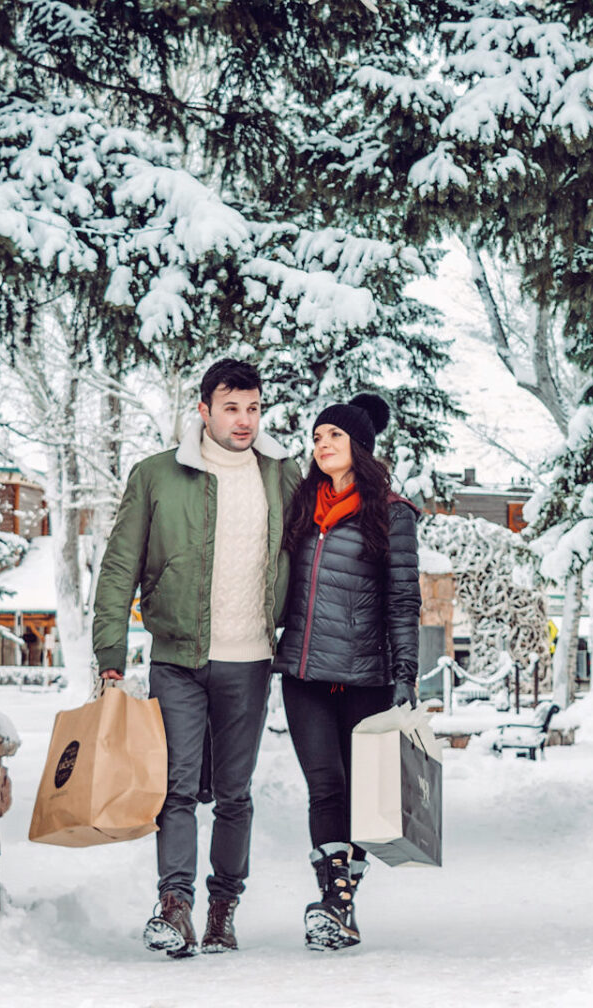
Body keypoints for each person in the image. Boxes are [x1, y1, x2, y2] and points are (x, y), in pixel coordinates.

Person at [93, 358, 301, 958]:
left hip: (251, 659)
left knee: (234, 792)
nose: (244, 421)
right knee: (175, 787)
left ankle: (222, 910)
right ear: (204, 410)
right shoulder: (157, 475)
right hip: (178, 658)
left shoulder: (281, 475)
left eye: (254, 408)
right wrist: (111, 650)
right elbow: (118, 567)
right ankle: (174, 907)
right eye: (231, 408)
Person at [271, 392, 420, 951]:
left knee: (360, 793)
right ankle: (337, 903)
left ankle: (337, 905)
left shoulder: (392, 512)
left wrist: (405, 673)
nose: (322, 444)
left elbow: (404, 600)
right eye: (316, 437)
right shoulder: (301, 509)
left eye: (333, 435)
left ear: (359, 445)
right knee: (325, 787)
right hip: (305, 673)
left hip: (366, 675)